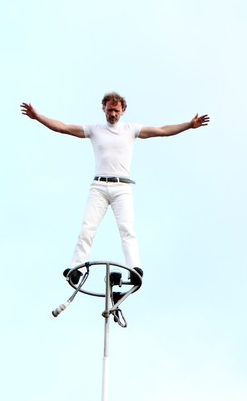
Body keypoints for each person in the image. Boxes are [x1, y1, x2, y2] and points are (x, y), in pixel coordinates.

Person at [20, 93, 209, 283]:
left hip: (122, 187)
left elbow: (162, 130)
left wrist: (188, 125)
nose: (113, 114)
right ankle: (76, 268)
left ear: (123, 111)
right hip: (99, 186)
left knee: (127, 229)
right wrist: (38, 117)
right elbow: (64, 128)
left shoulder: (131, 129)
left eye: (116, 111)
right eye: (109, 110)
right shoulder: (94, 130)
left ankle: (134, 268)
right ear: (103, 109)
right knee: (87, 228)